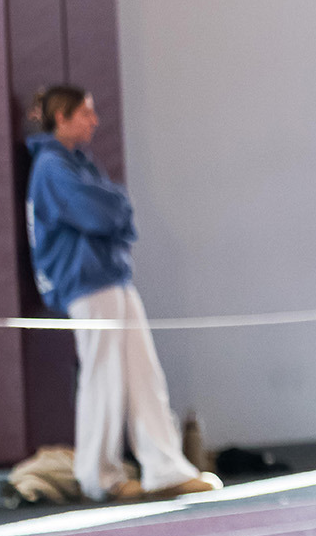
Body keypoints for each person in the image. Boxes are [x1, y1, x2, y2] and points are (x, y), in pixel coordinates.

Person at [25, 86, 218, 502]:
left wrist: (115, 207)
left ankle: (166, 468)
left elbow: (116, 208)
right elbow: (100, 211)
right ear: (62, 118)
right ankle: (99, 475)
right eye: (86, 113)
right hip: (86, 282)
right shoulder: (51, 167)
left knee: (143, 374)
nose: (94, 121)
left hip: (111, 277)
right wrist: (115, 207)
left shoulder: (79, 164)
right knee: (103, 377)